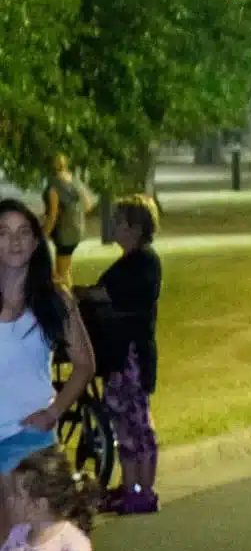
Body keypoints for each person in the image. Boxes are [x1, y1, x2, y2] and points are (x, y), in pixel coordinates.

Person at [77, 198, 163, 514]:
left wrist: (79, 293)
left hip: (133, 355)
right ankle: (129, 486)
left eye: (119, 222)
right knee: (121, 423)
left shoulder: (144, 263)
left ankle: (143, 489)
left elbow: (109, 294)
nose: (112, 227)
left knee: (138, 421)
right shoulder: (125, 263)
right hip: (117, 356)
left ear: (136, 229)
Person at [0, 200, 95, 477]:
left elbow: (85, 364)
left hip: (30, 442)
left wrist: (52, 414)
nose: (15, 241)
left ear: (35, 242)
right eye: (3, 232)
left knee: (34, 521)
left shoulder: (54, 300)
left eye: (23, 232)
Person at [40, 157, 93, 286]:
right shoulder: (74, 180)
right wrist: (73, 215)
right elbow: (88, 205)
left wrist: (42, 236)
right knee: (66, 271)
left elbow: (52, 216)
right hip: (77, 230)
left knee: (60, 276)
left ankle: (68, 303)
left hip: (64, 235)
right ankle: (71, 300)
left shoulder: (53, 186)